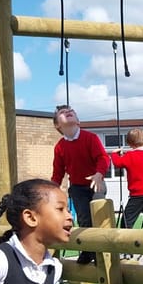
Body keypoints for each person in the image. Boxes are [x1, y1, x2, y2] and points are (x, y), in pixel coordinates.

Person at [51, 104, 110, 264]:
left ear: (78, 121)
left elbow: (103, 158)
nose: (68, 112)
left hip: (95, 183)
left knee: (99, 216)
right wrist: (52, 189)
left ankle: (102, 253)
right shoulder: (60, 147)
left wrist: (99, 174)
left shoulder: (90, 138)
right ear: (58, 125)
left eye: (71, 111)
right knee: (84, 219)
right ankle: (88, 250)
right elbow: (58, 171)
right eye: (64, 113)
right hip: (77, 187)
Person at [110, 128, 143, 230]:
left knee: (126, 221)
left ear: (130, 143)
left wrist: (114, 153)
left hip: (136, 196)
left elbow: (117, 163)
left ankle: (125, 240)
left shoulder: (129, 156)